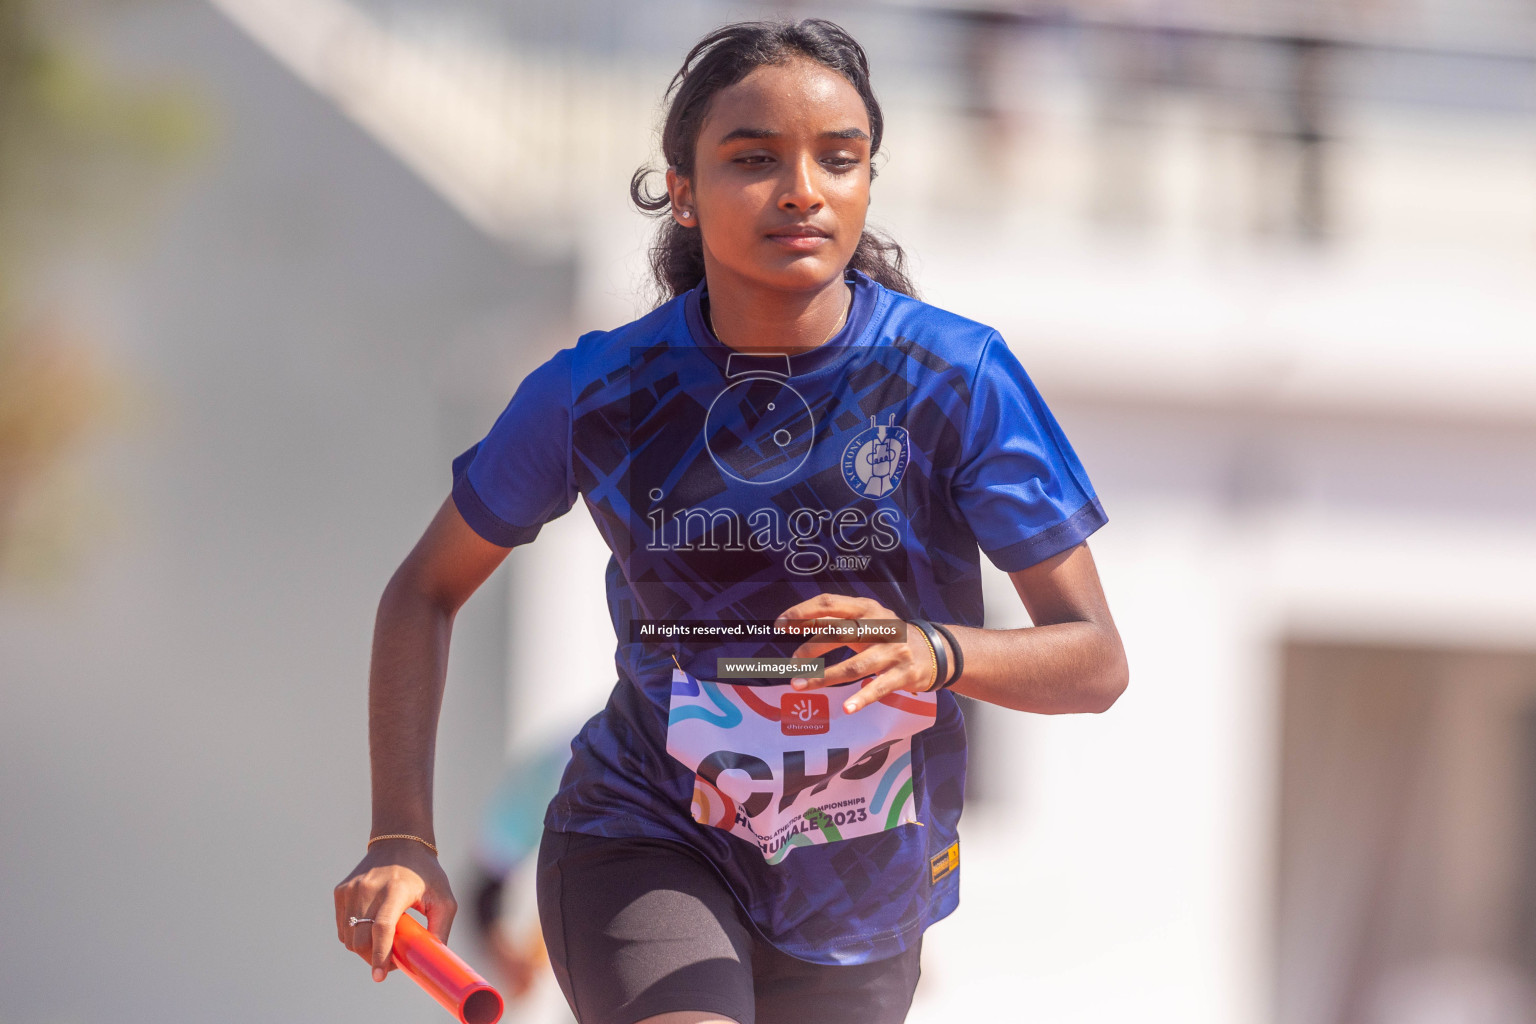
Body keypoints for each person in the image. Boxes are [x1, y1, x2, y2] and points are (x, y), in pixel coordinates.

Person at [334, 18, 1128, 1024]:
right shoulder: (600, 390)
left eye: (839, 160)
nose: (802, 189)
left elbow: (1095, 659)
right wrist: (402, 836)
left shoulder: (955, 380)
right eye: (754, 160)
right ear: (682, 186)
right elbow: (425, 588)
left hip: (862, 893)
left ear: (867, 182)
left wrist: (932, 651)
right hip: (644, 836)